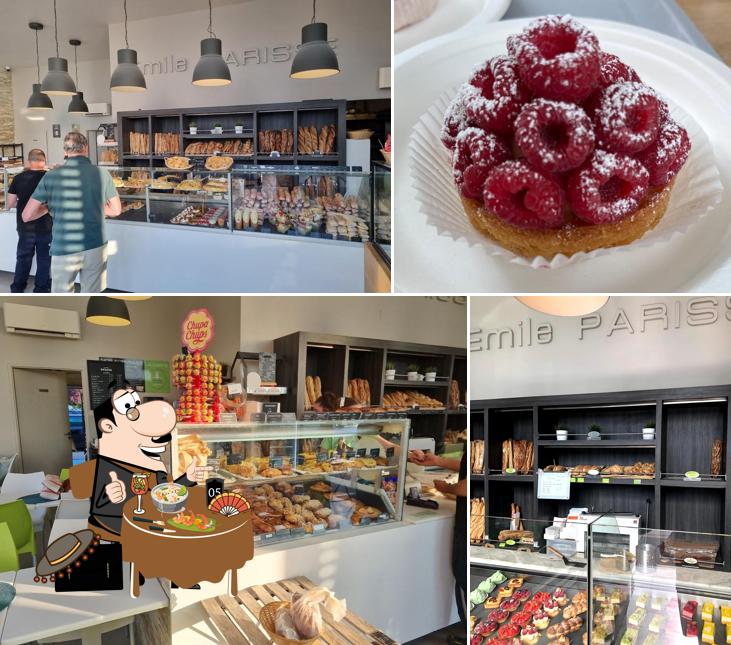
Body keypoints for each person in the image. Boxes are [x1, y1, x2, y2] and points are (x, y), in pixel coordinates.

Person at [22, 132, 122, 292]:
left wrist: (50, 206)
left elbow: (27, 215)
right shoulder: (102, 173)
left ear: (65, 152)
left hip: (64, 247)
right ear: (86, 149)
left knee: (63, 297)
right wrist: (92, 206)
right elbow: (116, 210)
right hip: (95, 244)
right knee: (92, 297)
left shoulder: (51, 176)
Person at [410, 449, 467, 644]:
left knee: (462, 574)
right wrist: (437, 460)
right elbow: (467, 466)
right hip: (468, 520)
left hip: (467, 523)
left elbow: (466, 487)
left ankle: (472, 633)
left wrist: (446, 488)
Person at [6, 149, 50, 292]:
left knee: (23, 257)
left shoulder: (19, 178)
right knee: (44, 259)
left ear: (28, 161)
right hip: (47, 226)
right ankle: (41, 288)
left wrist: (23, 200)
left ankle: (17, 287)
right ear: (44, 160)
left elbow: (10, 203)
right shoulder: (50, 177)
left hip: (25, 226)